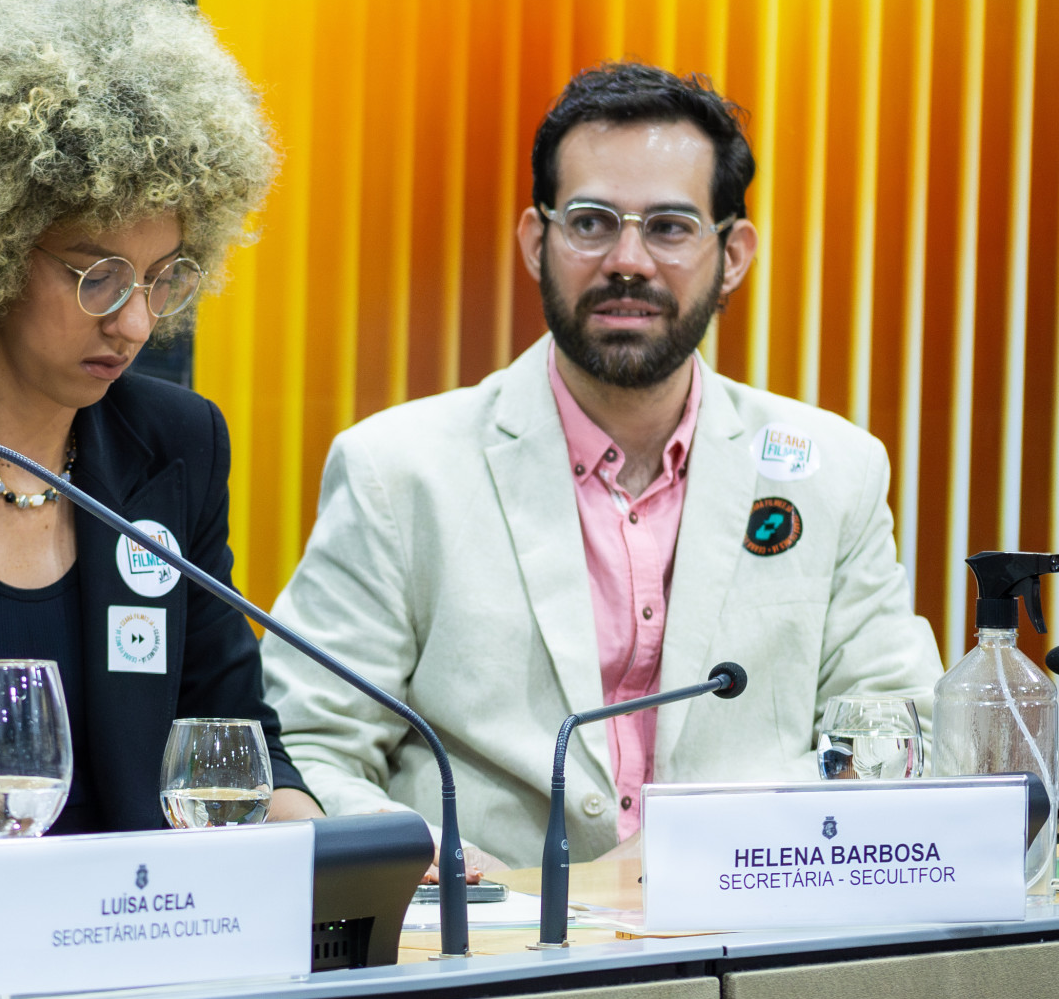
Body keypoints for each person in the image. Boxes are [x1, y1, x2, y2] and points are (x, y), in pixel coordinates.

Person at [264, 62, 944, 871]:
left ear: (732, 255)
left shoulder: (834, 469)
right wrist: (428, 859)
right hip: (493, 953)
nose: (628, 260)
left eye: (669, 226)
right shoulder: (397, 471)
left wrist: (701, 855)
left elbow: (892, 728)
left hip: (753, 946)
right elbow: (309, 742)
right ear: (535, 241)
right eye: (591, 222)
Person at [0, 0, 322, 924]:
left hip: (140, 959)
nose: (134, 321)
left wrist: (323, 845)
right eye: (97, 274)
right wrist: (54, 923)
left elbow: (228, 728)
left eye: (165, 277)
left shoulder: (175, 444)